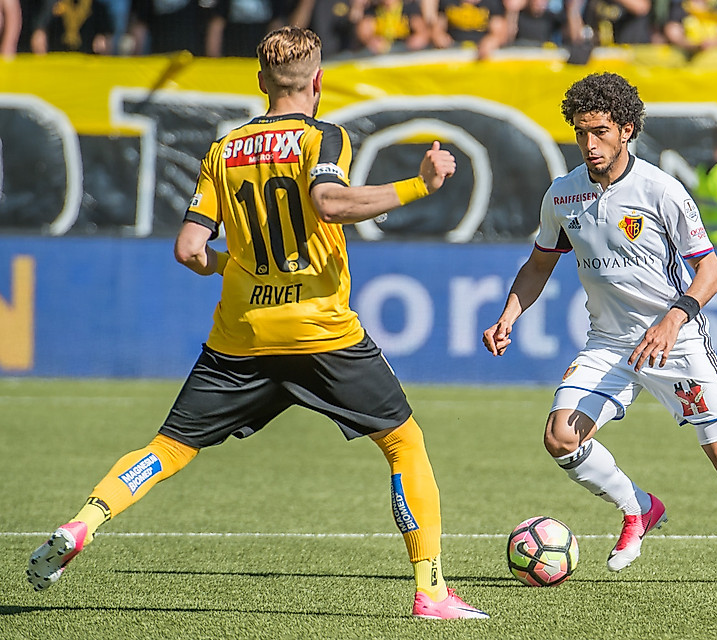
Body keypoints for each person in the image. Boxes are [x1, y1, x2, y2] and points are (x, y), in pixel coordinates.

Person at [26, 25, 489, 621]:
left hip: (242, 334)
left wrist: (235, 266)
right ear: (318, 81)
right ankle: (431, 590)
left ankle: (84, 521)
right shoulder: (323, 137)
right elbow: (330, 203)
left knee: (169, 447)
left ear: (260, 81)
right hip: (320, 331)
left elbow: (189, 249)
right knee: (403, 442)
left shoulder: (224, 149)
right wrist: (419, 184)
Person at [482, 72, 717, 585]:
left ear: (626, 129)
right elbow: (539, 265)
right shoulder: (562, 195)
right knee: (561, 437)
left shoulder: (661, 190)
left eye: (600, 131)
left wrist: (674, 319)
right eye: (580, 132)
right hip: (609, 344)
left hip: (676, 342)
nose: (589, 143)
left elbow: (711, 272)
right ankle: (638, 507)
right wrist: (509, 314)